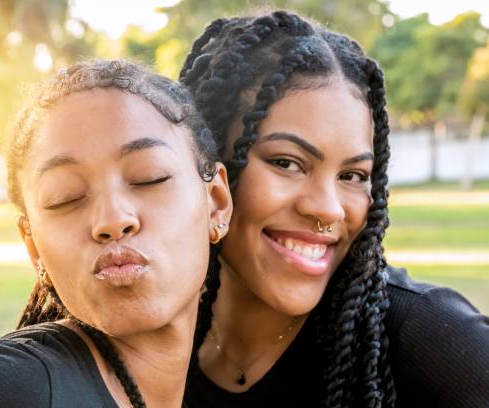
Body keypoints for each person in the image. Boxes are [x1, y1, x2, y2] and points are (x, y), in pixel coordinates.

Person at [0, 60, 232, 408]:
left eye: (148, 178)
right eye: (66, 198)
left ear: (216, 203)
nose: (111, 220)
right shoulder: (15, 387)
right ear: (33, 247)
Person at [179, 10, 489, 407]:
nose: (327, 209)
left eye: (353, 175)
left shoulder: (425, 333)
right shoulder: (148, 333)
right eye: (287, 163)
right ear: (208, 164)